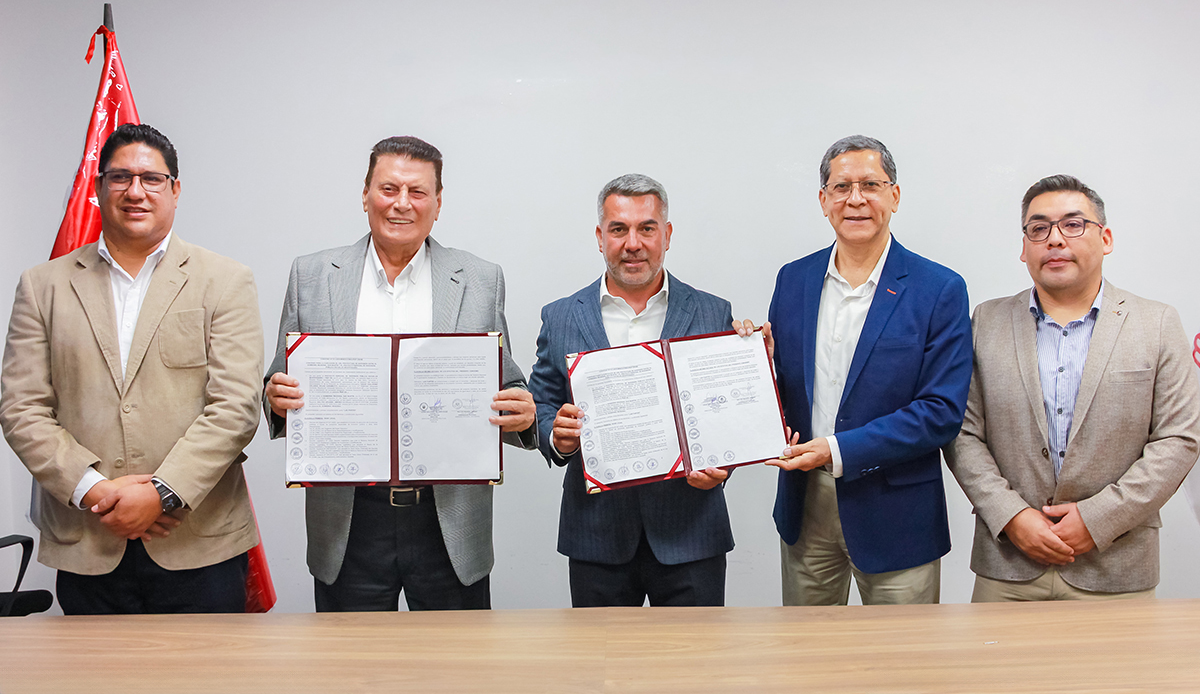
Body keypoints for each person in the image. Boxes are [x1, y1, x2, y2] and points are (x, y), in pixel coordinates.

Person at [264, 136, 536, 612]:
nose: (402, 203)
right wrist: (276, 397)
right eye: (389, 188)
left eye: (417, 191)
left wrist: (522, 411)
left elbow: (507, 382)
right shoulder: (311, 275)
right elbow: (278, 380)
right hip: (349, 519)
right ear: (365, 194)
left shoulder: (480, 278)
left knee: (458, 656)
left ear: (438, 203)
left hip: (449, 516)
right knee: (351, 656)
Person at [0, 123, 264, 614]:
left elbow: (236, 407)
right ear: (99, 187)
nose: (135, 191)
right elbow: (21, 408)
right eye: (120, 177)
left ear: (175, 190)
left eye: (151, 179)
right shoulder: (44, 286)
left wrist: (162, 494)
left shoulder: (224, 281)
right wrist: (94, 490)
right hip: (89, 539)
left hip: (198, 541)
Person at [737, 135, 972, 605]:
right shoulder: (793, 279)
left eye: (870, 185)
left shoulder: (938, 288)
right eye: (841, 187)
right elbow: (786, 390)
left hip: (896, 511)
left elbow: (940, 411)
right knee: (808, 647)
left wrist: (836, 449)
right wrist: (750, 363)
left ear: (894, 196)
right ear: (823, 200)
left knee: (901, 651)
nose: (856, 199)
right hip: (806, 505)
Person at [945, 174, 1200, 601]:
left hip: (1116, 566)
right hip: (1008, 565)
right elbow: (962, 431)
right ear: (1023, 247)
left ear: (1106, 238)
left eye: (1073, 224)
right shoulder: (985, 322)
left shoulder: (1156, 323)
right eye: (1039, 228)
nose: (1055, 239)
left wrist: (1097, 520)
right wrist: (1012, 517)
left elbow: (1179, 438)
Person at [527, 173, 734, 607]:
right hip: (596, 535)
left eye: (647, 228)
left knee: (696, 651)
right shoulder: (561, 316)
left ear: (667, 235)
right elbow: (541, 401)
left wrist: (724, 464)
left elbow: (727, 412)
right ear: (600, 237)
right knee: (600, 654)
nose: (633, 243)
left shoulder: (714, 313)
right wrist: (556, 436)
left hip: (691, 532)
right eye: (619, 229)